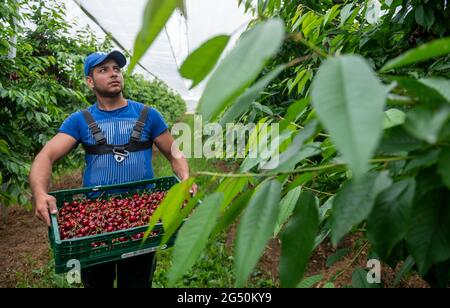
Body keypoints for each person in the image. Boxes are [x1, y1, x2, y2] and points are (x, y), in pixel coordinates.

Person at [29, 50, 196, 288]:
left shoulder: (148, 115)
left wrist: (186, 177)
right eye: (103, 70)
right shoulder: (80, 120)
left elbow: (174, 153)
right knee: (97, 282)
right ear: (90, 81)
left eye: (116, 69)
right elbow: (46, 156)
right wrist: (40, 193)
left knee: (137, 282)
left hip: (143, 220)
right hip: (96, 222)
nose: (113, 74)